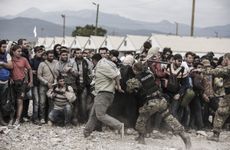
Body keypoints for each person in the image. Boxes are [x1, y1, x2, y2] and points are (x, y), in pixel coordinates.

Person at [127, 62, 191, 149]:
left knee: (141, 119)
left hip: (151, 102)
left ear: (135, 70)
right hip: (161, 100)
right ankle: (185, 137)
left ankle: (141, 138)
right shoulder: (150, 74)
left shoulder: (136, 79)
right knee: (170, 118)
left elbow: (129, 89)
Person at [83, 53, 124, 139]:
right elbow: (118, 74)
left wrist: (119, 86)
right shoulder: (109, 63)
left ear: (94, 60)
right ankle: (87, 132)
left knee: (100, 115)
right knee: (94, 114)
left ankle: (119, 126)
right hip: (105, 93)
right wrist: (116, 85)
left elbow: (116, 76)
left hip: (104, 93)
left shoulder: (102, 65)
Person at [200, 53, 230, 142]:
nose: (223, 61)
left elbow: (215, 72)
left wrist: (204, 69)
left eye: (224, 59)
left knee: (220, 113)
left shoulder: (228, 68)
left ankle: (215, 135)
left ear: (226, 59)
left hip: (229, 96)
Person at [10, 45, 33, 127]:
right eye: (18, 51)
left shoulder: (24, 59)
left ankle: (18, 119)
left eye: (21, 51)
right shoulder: (10, 59)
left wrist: (31, 80)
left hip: (22, 82)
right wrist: (10, 77)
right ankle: (11, 118)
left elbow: (29, 69)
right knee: (13, 101)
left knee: (20, 101)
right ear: (13, 52)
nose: (20, 53)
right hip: (13, 83)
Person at [37, 50, 58, 124]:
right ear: (46, 56)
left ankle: (50, 118)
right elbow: (39, 75)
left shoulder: (56, 62)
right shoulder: (42, 64)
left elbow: (57, 73)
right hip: (43, 86)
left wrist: (55, 81)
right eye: (50, 56)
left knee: (51, 103)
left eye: (52, 56)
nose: (51, 57)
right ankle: (42, 118)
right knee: (42, 102)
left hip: (53, 86)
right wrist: (46, 82)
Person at [0, 40, 13, 126]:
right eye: (3, 47)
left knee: (3, 102)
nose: (5, 49)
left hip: (5, 81)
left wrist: (2, 63)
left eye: (5, 47)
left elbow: (10, 66)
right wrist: (6, 64)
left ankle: (3, 119)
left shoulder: (7, 55)